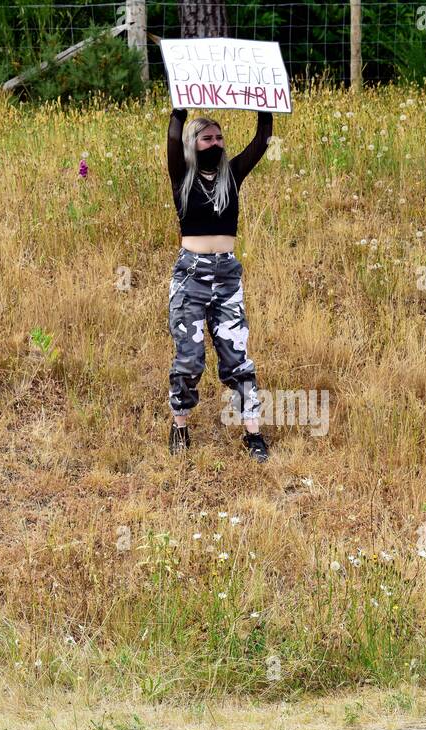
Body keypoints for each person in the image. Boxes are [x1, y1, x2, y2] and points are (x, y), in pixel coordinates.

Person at [165, 104, 273, 462]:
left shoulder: (232, 175)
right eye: (207, 138)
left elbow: (262, 141)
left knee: (237, 356)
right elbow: (172, 139)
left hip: (227, 275)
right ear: (193, 144)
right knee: (189, 358)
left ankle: (253, 434)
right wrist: (178, 111)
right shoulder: (182, 177)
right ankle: (180, 426)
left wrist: (264, 107)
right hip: (190, 277)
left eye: (219, 137)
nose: (215, 142)